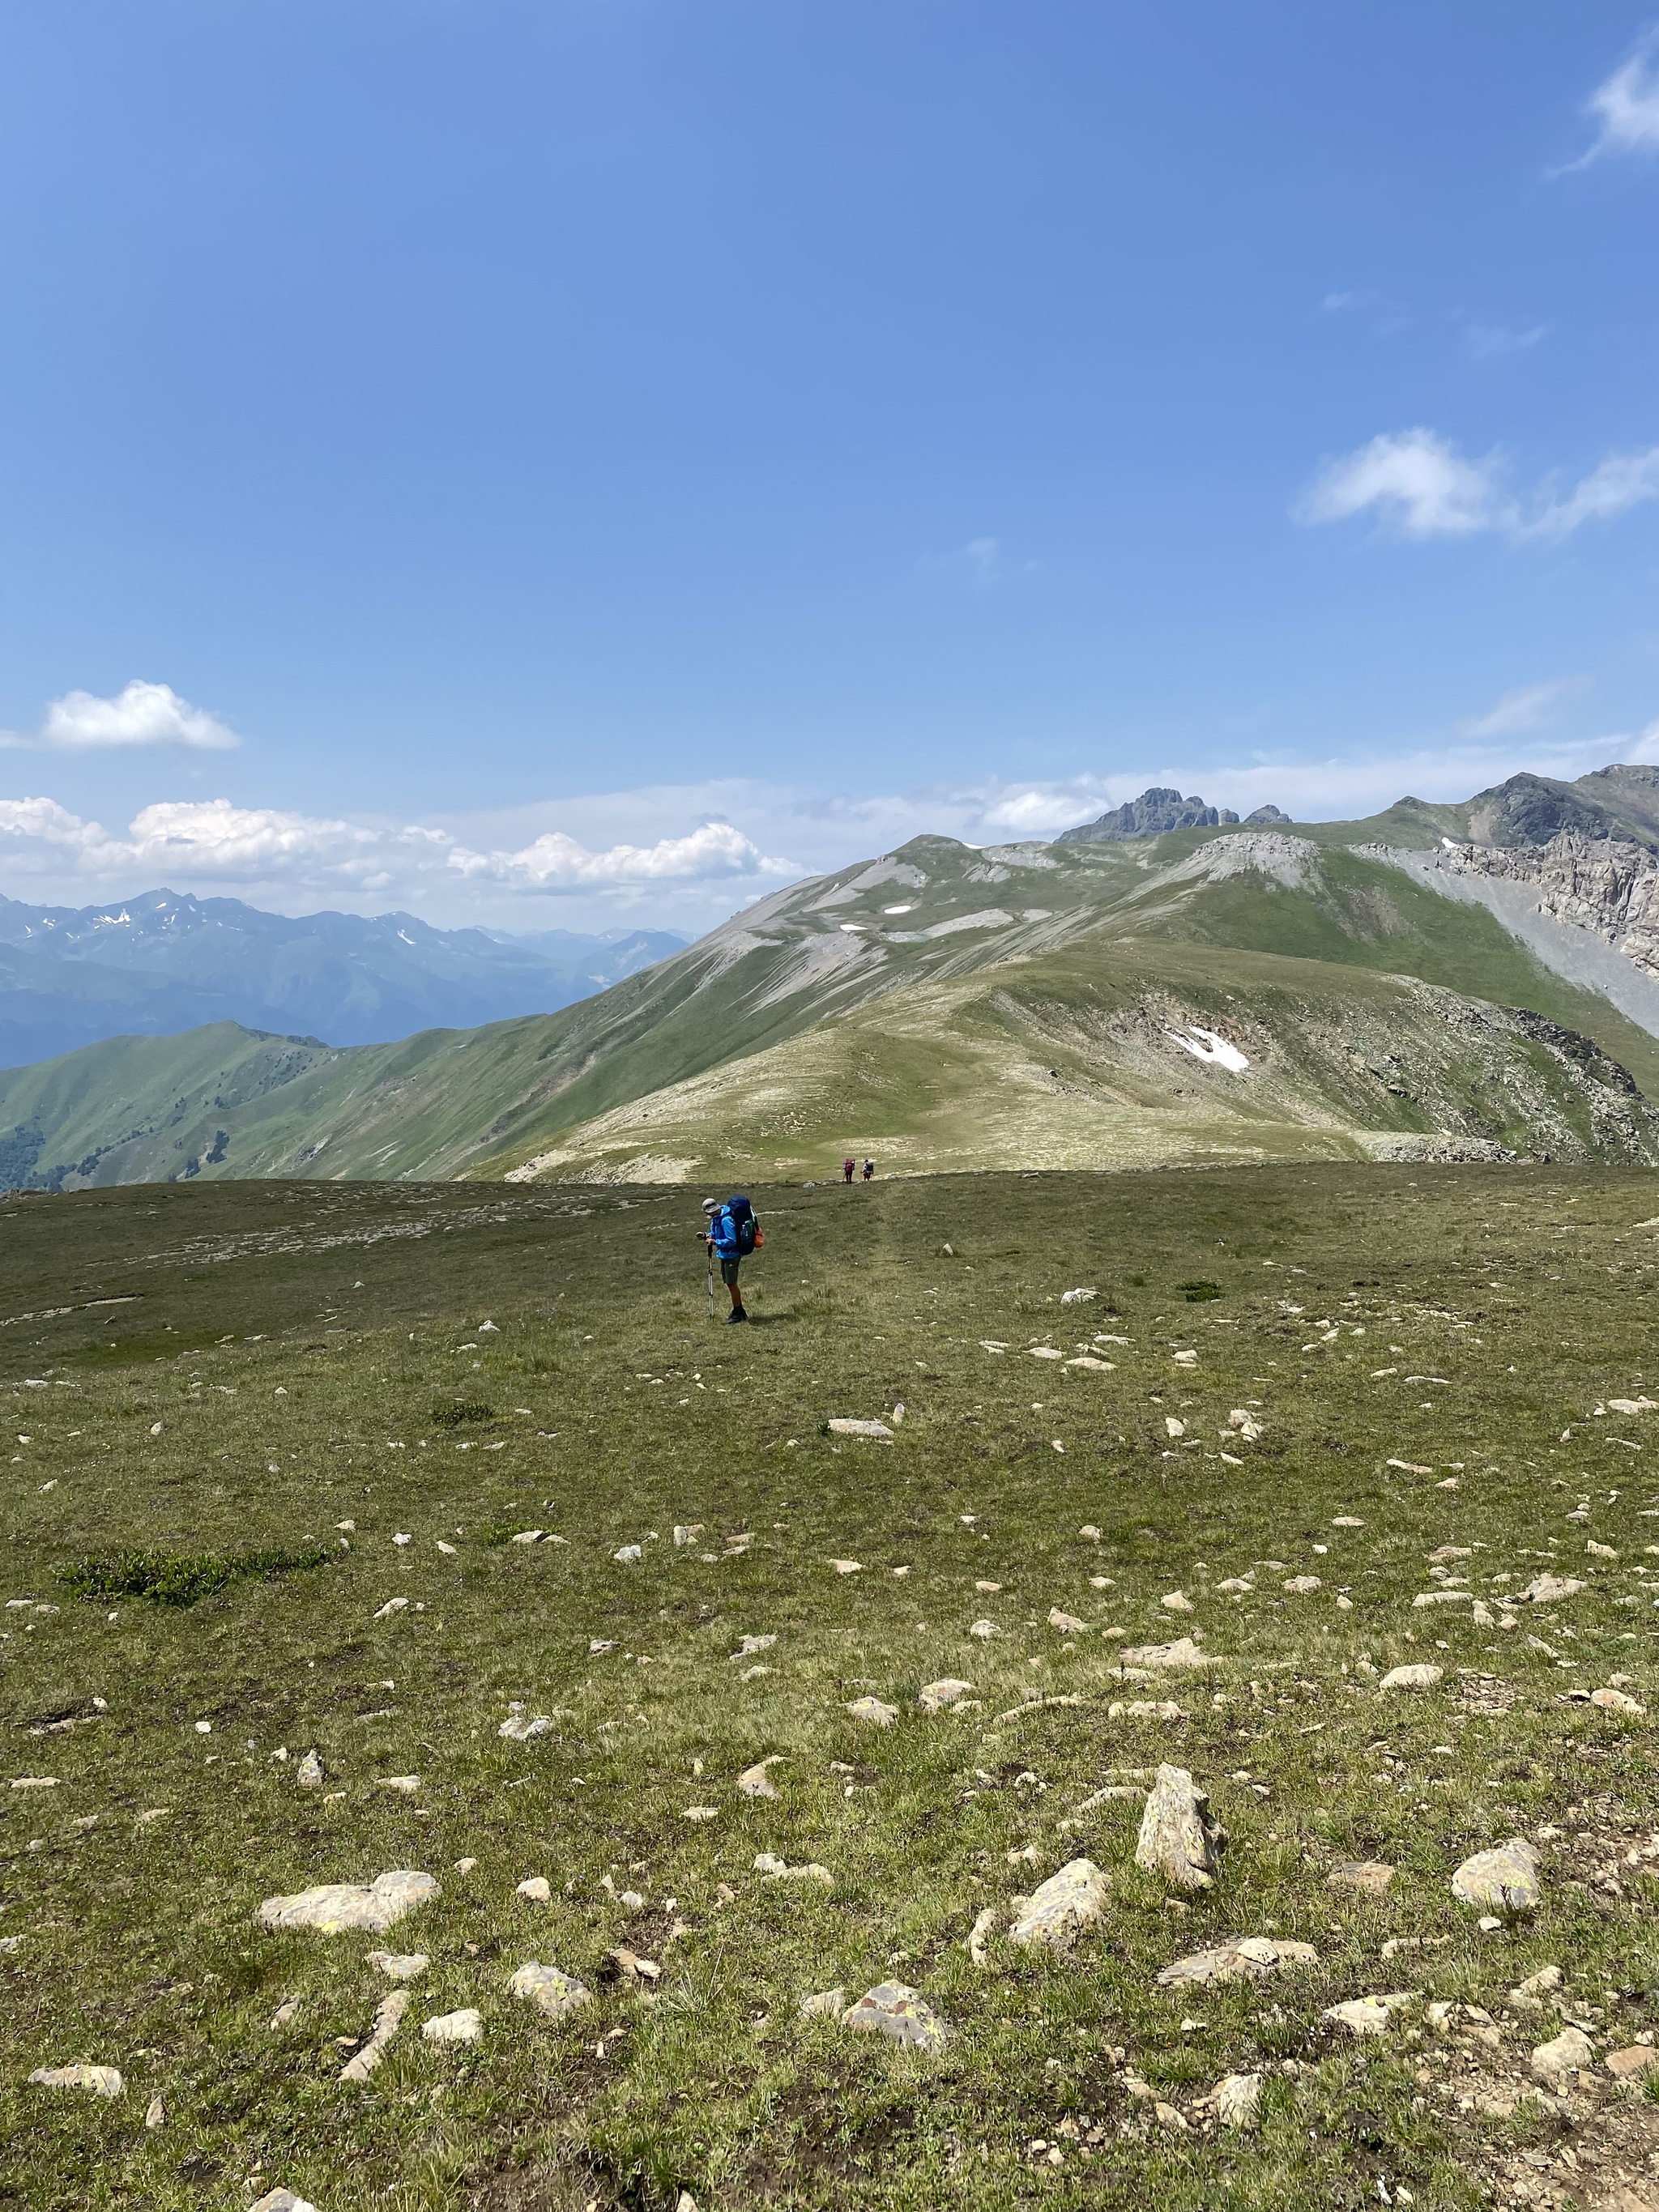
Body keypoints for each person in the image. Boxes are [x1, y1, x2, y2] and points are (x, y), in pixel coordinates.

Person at [698, 1194, 757, 1323]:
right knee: (729, 1283)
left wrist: (715, 1242)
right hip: (725, 1255)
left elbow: (731, 1240)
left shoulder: (726, 1220)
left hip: (732, 1255)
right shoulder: (716, 1219)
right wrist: (706, 1235)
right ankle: (740, 1311)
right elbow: (714, 1234)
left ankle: (737, 1313)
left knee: (732, 1284)